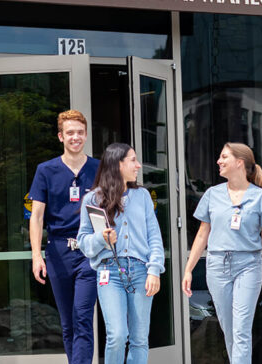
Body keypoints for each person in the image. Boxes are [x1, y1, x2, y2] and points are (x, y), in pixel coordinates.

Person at [181, 142, 262, 364]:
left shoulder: (260, 197)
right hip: (216, 265)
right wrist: (189, 269)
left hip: (248, 265)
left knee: (241, 330)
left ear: (239, 162)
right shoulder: (212, 194)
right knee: (230, 330)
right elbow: (202, 235)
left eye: (224, 157)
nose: (219, 161)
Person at [77, 143, 164, 364]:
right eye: (133, 160)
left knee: (139, 338)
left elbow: (154, 236)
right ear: (118, 164)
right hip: (109, 272)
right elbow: (83, 242)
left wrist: (154, 270)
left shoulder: (143, 196)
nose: (138, 165)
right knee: (117, 335)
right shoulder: (92, 199)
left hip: (141, 272)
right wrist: (101, 239)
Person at [28, 109, 100, 364]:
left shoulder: (99, 168)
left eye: (80, 132)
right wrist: (37, 256)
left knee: (82, 317)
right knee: (68, 323)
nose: (76, 137)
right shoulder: (45, 170)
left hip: (90, 252)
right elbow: (36, 217)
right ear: (61, 136)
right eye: (70, 133)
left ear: (86, 135)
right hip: (58, 252)